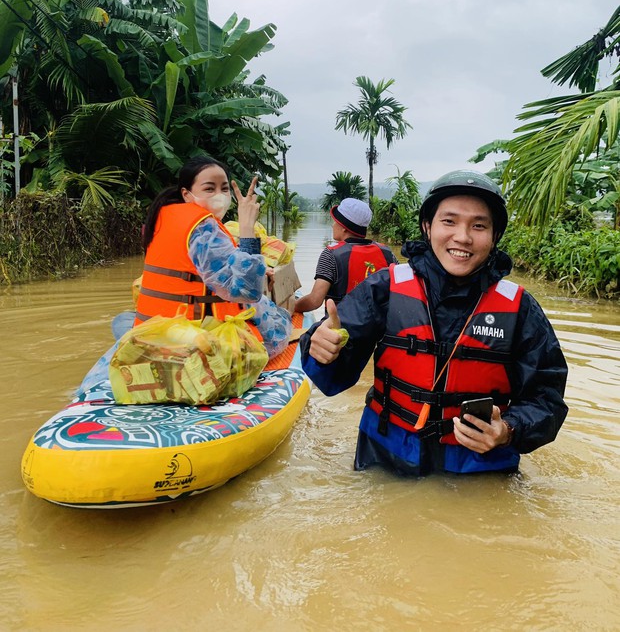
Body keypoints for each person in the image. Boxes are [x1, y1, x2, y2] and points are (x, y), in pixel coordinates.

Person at [300, 171, 568, 476]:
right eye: (449, 221)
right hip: (385, 460)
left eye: (479, 226)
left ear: (494, 237)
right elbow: (331, 377)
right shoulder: (385, 288)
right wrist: (321, 349)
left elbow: (547, 400)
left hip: (478, 472)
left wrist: (507, 430)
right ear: (428, 227)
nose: (463, 237)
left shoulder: (520, 308)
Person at [134, 155, 291, 357]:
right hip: (196, 342)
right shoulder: (203, 228)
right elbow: (247, 292)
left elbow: (200, 267)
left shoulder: (162, 215)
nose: (219, 195)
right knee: (280, 322)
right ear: (186, 193)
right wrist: (246, 227)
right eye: (209, 188)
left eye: (224, 188)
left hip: (155, 329)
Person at [294, 198, 398, 313]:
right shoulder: (388, 253)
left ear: (344, 227)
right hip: (379, 327)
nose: (332, 226)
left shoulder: (331, 255)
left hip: (341, 327)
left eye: (335, 222)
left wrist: (292, 306)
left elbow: (314, 301)